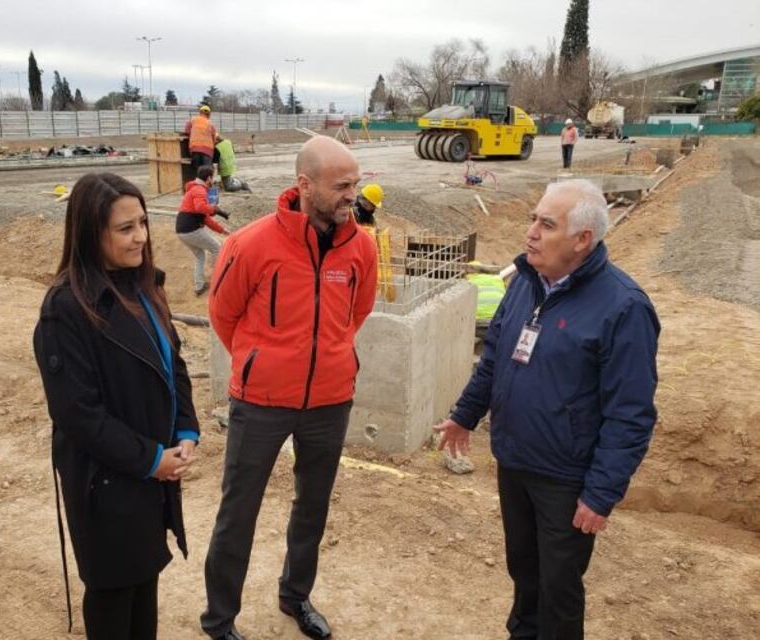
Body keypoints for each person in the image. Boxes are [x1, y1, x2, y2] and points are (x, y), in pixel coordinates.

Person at [434, 179, 660, 640]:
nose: (531, 232)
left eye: (546, 224)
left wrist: (600, 494)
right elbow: (494, 358)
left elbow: (630, 414)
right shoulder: (526, 283)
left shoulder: (623, 308)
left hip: (565, 478)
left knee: (558, 589)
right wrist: (464, 415)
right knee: (525, 573)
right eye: (533, 219)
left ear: (582, 240)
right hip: (514, 461)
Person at [201, 137, 378, 640]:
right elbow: (223, 313)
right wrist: (264, 361)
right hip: (260, 403)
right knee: (239, 511)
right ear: (305, 185)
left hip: (329, 401)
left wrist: (331, 357)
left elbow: (357, 312)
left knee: (312, 506)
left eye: (355, 183)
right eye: (342, 185)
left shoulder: (361, 247)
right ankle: (219, 620)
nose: (352, 195)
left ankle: (295, 596)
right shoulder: (251, 243)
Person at [33, 172, 201, 640]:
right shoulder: (66, 310)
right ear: (91, 232)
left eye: (143, 222)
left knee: (144, 587)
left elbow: (175, 366)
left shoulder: (143, 288)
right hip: (105, 486)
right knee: (113, 597)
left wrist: (185, 431)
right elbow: (78, 414)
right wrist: (152, 460)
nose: (142, 237)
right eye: (125, 228)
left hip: (149, 480)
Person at [176, 165, 231, 296]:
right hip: (191, 229)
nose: (214, 180)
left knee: (201, 256)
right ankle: (220, 280)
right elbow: (201, 207)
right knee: (217, 248)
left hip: (182, 230)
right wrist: (214, 209)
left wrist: (222, 230)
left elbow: (205, 218)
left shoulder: (194, 189)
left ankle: (199, 286)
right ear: (208, 178)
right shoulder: (199, 190)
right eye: (213, 177)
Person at [184, 104, 219, 171]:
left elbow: (187, 131)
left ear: (200, 112)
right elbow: (214, 138)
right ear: (209, 114)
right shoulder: (210, 124)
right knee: (207, 171)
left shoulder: (193, 120)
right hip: (207, 150)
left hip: (194, 148)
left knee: (198, 171)